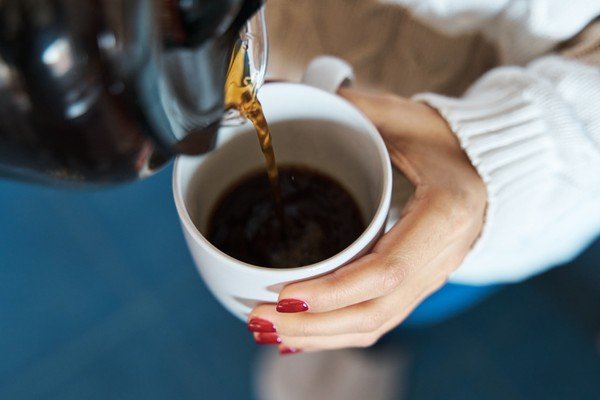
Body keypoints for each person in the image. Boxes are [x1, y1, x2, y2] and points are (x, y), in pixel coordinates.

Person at [247, 1, 600, 396]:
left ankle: (369, 338)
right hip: (271, 51)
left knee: (419, 297)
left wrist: (499, 154)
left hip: (501, 192)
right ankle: (344, 330)